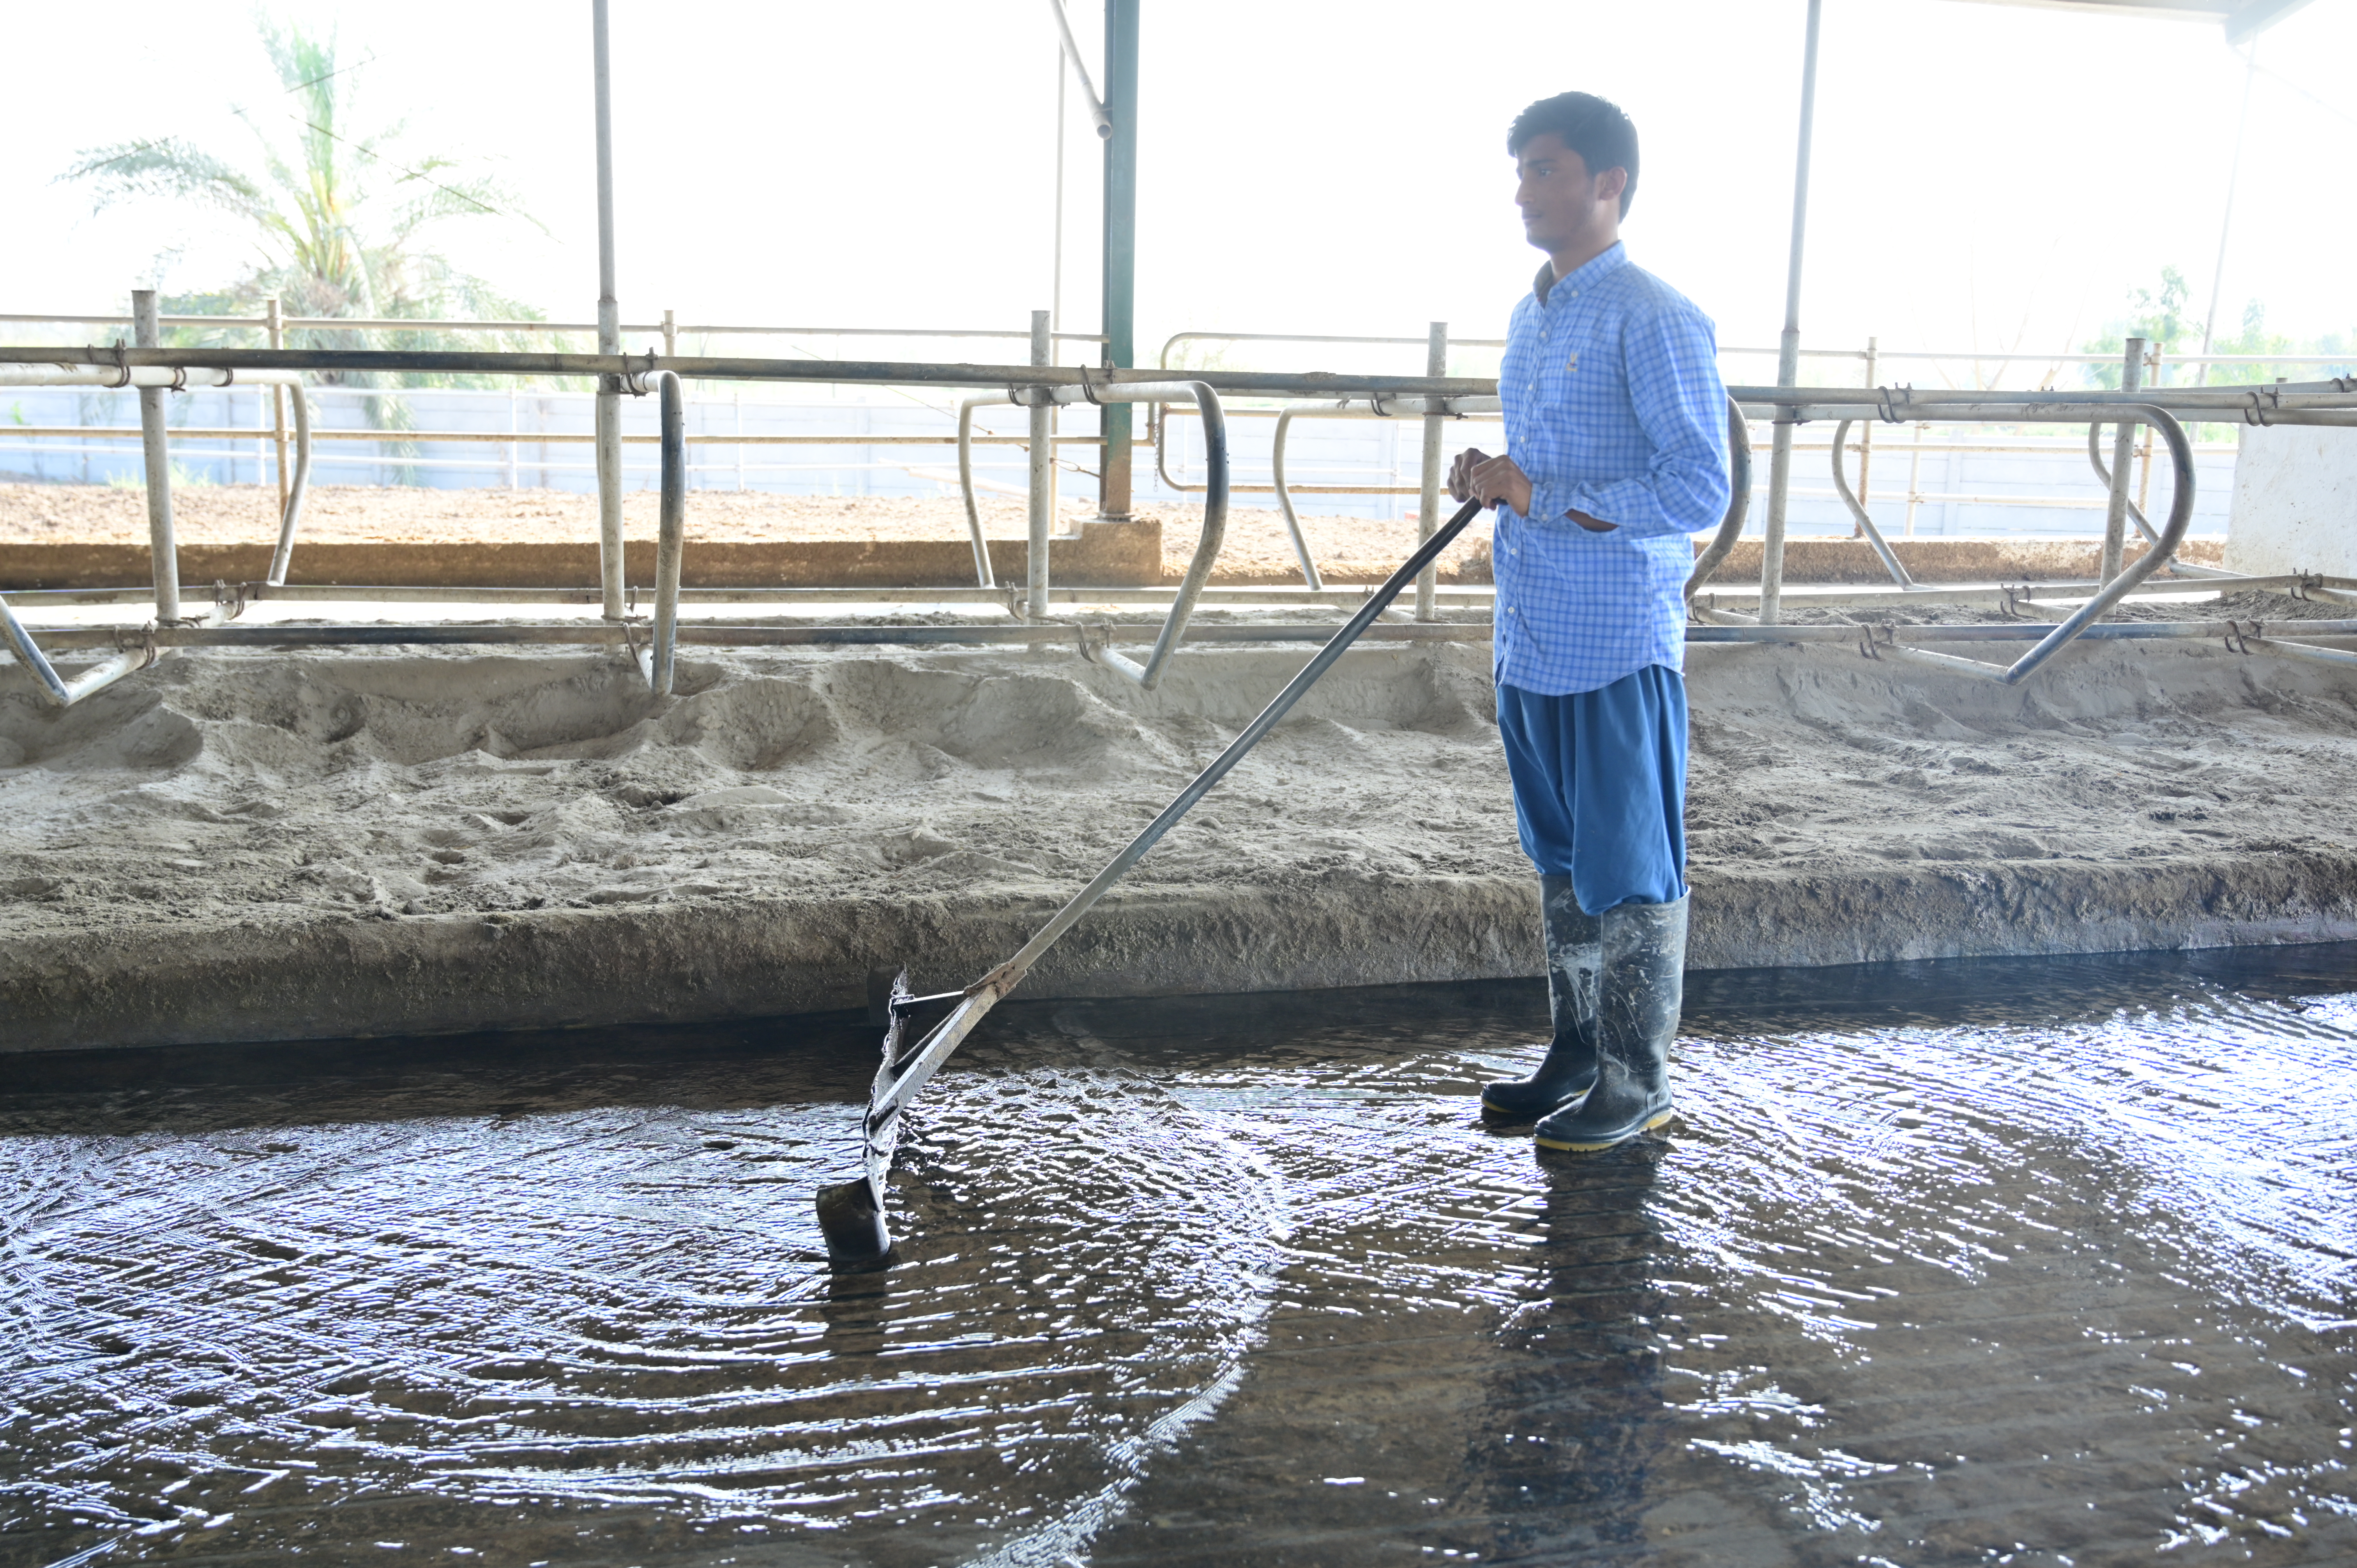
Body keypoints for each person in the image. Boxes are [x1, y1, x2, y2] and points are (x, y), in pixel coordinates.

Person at [1449, 91, 1731, 1153]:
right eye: (1522, 169)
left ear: (1609, 184)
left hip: (1615, 639)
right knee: (1561, 857)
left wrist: (1542, 491)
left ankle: (1638, 1078)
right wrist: (1493, 479)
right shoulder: (1534, 315)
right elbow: (1547, 468)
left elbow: (1697, 486)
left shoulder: (1654, 316)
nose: (1526, 189)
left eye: (1548, 170)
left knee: (1631, 863)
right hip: (1534, 635)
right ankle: (1576, 1052)